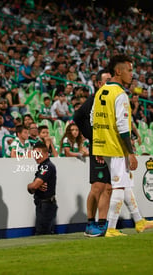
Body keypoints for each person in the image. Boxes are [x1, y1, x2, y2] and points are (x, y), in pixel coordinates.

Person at [91, 54, 153, 237]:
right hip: (116, 146)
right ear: (118, 71)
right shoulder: (121, 95)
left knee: (125, 184)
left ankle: (139, 221)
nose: (132, 74)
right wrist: (130, 152)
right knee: (118, 187)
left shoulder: (101, 91)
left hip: (105, 144)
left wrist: (99, 145)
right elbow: (122, 127)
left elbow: (93, 118)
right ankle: (110, 228)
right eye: (129, 70)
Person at [74, 69, 112, 237]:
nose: (110, 84)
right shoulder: (95, 99)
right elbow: (77, 117)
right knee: (97, 186)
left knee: (108, 187)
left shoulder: (111, 99)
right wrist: (91, 136)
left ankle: (102, 224)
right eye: (107, 80)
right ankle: (90, 223)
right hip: (98, 146)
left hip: (110, 147)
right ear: (99, 84)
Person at [27, 142, 58, 235]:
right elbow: (33, 189)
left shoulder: (46, 166)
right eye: (34, 154)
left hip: (45, 205)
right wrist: (32, 187)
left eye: (38, 154)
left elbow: (34, 186)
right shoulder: (43, 166)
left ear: (46, 153)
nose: (36, 157)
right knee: (44, 233)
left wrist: (29, 186)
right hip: (44, 204)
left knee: (42, 234)